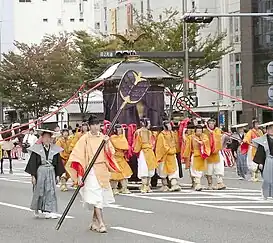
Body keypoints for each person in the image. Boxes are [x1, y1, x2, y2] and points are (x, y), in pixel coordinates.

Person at [66, 115, 119, 233]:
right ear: (89, 126)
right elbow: (78, 157)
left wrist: (105, 144)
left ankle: (94, 222)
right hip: (90, 171)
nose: (96, 127)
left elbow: (110, 153)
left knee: (99, 196)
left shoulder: (104, 138)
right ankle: (101, 223)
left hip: (102, 169)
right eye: (93, 125)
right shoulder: (85, 138)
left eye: (97, 124)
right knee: (96, 197)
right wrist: (80, 175)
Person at [25, 129, 65, 219]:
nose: (47, 139)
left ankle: (49, 210)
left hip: (51, 171)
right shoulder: (37, 149)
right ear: (42, 138)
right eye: (45, 137)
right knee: (39, 191)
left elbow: (58, 163)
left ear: (51, 139)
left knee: (50, 191)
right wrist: (33, 176)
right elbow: (33, 163)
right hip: (40, 172)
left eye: (48, 137)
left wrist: (58, 175)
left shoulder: (54, 150)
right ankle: (37, 208)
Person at [183, 125, 210, 191]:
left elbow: (207, 142)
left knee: (200, 170)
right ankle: (197, 184)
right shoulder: (191, 137)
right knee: (194, 170)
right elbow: (186, 141)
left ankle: (197, 183)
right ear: (195, 131)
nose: (199, 132)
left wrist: (202, 143)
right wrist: (183, 132)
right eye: (198, 131)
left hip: (201, 155)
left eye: (200, 131)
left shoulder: (204, 136)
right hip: (194, 155)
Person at [133, 118, 157, 193]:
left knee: (150, 169)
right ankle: (144, 186)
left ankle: (147, 185)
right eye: (148, 123)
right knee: (144, 169)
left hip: (149, 151)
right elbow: (137, 142)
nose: (149, 125)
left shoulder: (150, 132)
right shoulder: (139, 132)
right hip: (143, 152)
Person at [156, 120, 181, 192]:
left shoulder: (173, 133)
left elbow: (176, 143)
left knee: (173, 170)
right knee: (163, 171)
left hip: (172, 155)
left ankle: (174, 184)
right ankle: (164, 185)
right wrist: (169, 150)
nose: (170, 126)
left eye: (170, 125)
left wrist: (174, 150)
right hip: (164, 155)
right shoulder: (161, 135)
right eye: (168, 125)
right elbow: (162, 146)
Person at [203, 118, 226, 190]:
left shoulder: (217, 130)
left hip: (216, 152)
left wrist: (211, 132)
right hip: (208, 153)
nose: (211, 125)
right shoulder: (205, 131)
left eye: (213, 123)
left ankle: (220, 183)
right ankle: (210, 184)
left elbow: (217, 137)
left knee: (218, 168)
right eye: (210, 123)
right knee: (208, 170)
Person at [110, 124, 132, 195]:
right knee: (115, 175)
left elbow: (125, 146)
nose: (119, 131)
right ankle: (114, 188)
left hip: (121, 157)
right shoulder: (112, 138)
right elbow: (118, 145)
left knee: (125, 173)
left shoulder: (122, 137)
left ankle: (124, 188)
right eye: (118, 129)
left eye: (120, 129)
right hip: (115, 158)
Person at [253, 121, 273, 200]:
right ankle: (265, 193)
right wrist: (260, 163)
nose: (272, 130)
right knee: (267, 179)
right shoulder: (263, 140)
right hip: (267, 160)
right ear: (267, 130)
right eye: (270, 129)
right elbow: (260, 152)